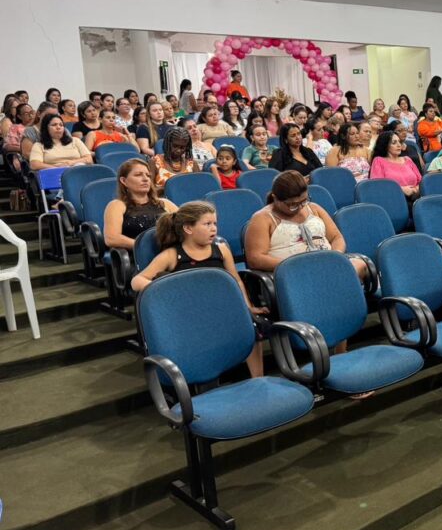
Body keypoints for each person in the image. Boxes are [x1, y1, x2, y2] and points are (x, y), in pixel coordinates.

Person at [132, 201, 267, 377]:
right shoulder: (173, 255)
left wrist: (248, 307)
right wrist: (163, 291)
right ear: (188, 229)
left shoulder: (221, 250)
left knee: (251, 326)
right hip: (188, 312)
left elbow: (236, 281)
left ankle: (258, 377)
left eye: (215, 224)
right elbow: (137, 280)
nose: (214, 229)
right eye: (207, 224)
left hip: (220, 307)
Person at [244, 170, 366, 281]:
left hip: (326, 263)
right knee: (333, 279)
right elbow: (255, 259)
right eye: (293, 204)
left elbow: (336, 237)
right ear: (275, 198)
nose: (300, 207)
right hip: (293, 271)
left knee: (359, 264)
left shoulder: (314, 208)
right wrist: (298, 265)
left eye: (304, 201)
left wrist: (335, 256)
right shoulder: (262, 218)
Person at [103, 157, 178, 249]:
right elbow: (112, 239)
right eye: (138, 175)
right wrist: (145, 248)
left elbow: (186, 225)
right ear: (124, 181)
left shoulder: (165, 203)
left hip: (170, 251)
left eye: (148, 175)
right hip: (138, 256)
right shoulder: (117, 205)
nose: (145, 179)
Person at [29, 113, 93, 170]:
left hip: (76, 170)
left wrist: (70, 163)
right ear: (46, 128)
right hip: (54, 173)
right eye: (54, 125)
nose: (58, 127)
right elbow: (34, 165)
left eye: (61, 125)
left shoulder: (75, 140)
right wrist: (57, 168)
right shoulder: (39, 145)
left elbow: (89, 159)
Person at [370, 130, 422, 200]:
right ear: (385, 145)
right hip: (393, 199)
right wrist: (401, 189)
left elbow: (421, 181)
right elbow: (378, 185)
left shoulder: (407, 159)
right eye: (394, 143)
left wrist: (416, 189)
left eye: (399, 142)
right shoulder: (378, 160)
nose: (399, 145)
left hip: (416, 198)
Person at [151, 126, 201, 192]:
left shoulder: (192, 163)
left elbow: (199, 187)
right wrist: (170, 189)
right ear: (167, 143)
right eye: (175, 146)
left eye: (182, 147)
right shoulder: (154, 162)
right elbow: (149, 190)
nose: (178, 150)